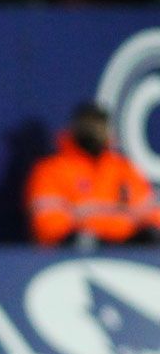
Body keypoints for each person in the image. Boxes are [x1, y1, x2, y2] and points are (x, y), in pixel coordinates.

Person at [25, 102, 160, 247]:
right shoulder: (51, 170)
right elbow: (48, 225)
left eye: (99, 125)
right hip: (77, 255)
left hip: (126, 251)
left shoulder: (122, 169)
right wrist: (87, 234)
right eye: (89, 125)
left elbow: (152, 214)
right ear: (75, 128)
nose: (95, 131)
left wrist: (144, 232)